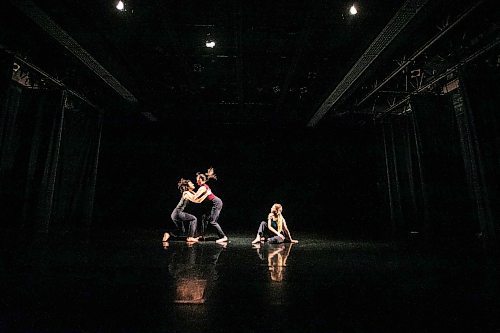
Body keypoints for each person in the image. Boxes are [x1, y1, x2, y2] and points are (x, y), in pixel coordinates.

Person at [163, 178, 211, 243]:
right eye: (191, 183)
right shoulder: (186, 193)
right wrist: (207, 194)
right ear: (188, 187)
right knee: (194, 219)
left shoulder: (191, 192)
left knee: (181, 230)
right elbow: (197, 201)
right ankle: (190, 237)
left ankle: (168, 234)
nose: (193, 184)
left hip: (175, 213)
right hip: (177, 212)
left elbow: (199, 199)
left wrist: (205, 193)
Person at [194, 167, 228, 243]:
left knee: (213, 221)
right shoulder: (203, 186)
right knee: (204, 218)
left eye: (197, 179)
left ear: (200, 180)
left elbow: (195, 198)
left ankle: (223, 237)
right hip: (212, 204)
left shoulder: (203, 187)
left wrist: (187, 193)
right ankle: (202, 235)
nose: (196, 181)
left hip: (216, 203)